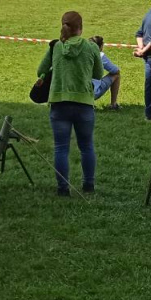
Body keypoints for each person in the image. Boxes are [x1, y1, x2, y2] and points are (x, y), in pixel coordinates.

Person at [37, 11, 104, 196]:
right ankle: (88, 185)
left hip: (59, 103)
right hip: (84, 103)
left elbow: (40, 70)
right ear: (80, 28)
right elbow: (98, 74)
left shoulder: (56, 47)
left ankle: (63, 188)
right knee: (86, 146)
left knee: (61, 148)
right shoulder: (91, 47)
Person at [90, 36, 121, 109]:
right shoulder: (100, 55)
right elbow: (115, 70)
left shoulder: (80, 55)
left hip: (77, 91)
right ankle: (113, 104)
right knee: (116, 75)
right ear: (101, 46)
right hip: (92, 91)